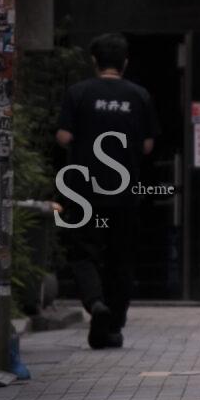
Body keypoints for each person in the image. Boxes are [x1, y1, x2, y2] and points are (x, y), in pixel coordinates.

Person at [55, 33, 159, 349]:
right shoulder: (139, 96)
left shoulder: (79, 93)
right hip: (124, 194)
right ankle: (112, 326)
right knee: (121, 259)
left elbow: (62, 136)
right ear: (124, 62)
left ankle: (95, 302)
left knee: (83, 252)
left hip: (84, 193)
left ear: (94, 61)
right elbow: (148, 145)